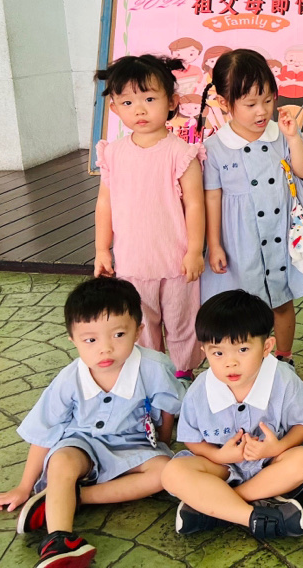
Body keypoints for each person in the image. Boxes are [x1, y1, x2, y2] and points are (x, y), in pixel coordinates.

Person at [0, 278, 184, 568]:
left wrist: (163, 444)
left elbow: (168, 407)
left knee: (167, 472)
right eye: (90, 340)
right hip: (82, 443)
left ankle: (72, 496)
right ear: (73, 340)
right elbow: (44, 431)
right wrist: (23, 487)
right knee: (61, 462)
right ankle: (58, 540)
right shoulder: (69, 378)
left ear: (139, 331)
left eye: (118, 334)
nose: (105, 349)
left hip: (135, 446)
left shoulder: (154, 366)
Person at [200, 49, 303, 368]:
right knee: (243, 303)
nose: (262, 111)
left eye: (268, 100)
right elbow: (212, 198)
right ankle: (244, 363)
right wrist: (214, 244)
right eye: (250, 104)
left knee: (282, 299)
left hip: (279, 232)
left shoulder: (279, 135)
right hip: (240, 238)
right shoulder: (215, 148)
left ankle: (284, 359)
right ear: (223, 102)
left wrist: (293, 137)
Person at [162, 291, 303, 538]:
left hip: (271, 464)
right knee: (172, 472)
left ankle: (216, 507)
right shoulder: (200, 389)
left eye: (243, 349)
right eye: (218, 353)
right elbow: (191, 439)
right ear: (204, 351)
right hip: (222, 468)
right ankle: (252, 514)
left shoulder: (283, 379)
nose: (230, 363)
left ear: (267, 347)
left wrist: (278, 448)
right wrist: (218, 455)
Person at [93, 55, 206, 379]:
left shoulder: (181, 153)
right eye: (128, 102)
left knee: (182, 322)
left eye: (150, 99)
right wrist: (102, 249)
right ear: (114, 108)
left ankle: (183, 373)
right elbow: (105, 203)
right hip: (132, 263)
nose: (139, 110)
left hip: (176, 263)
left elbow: (195, 205)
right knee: (141, 324)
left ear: (171, 102)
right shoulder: (113, 153)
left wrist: (194, 251)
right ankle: (153, 375)